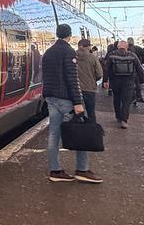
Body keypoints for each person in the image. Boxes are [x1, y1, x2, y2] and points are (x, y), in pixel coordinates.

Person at [41, 23, 102, 183]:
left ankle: (55, 170)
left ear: (57, 34)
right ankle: (82, 169)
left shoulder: (48, 52)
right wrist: (78, 102)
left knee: (54, 133)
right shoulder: (69, 52)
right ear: (69, 35)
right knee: (80, 128)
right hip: (66, 99)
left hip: (51, 98)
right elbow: (72, 79)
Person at [102, 39, 144, 128]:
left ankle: (118, 116)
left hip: (115, 81)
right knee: (126, 101)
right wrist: (141, 80)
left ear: (118, 46)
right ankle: (124, 120)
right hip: (128, 81)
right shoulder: (132, 55)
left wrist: (105, 80)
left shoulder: (111, 54)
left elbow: (106, 68)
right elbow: (139, 68)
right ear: (127, 47)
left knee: (116, 99)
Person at [76, 37, 102, 122]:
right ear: (87, 47)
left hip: (75, 89)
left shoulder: (72, 56)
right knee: (91, 112)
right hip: (90, 88)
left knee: (77, 112)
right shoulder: (93, 57)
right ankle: (92, 130)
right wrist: (93, 79)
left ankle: (78, 130)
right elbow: (99, 73)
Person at [127, 37, 144, 104]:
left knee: (130, 84)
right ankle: (139, 97)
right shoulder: (138, 48)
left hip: (128, 69)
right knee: (137, 83)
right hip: (137, 68)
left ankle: (132, 97)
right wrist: (141, 62)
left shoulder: (126, 49)